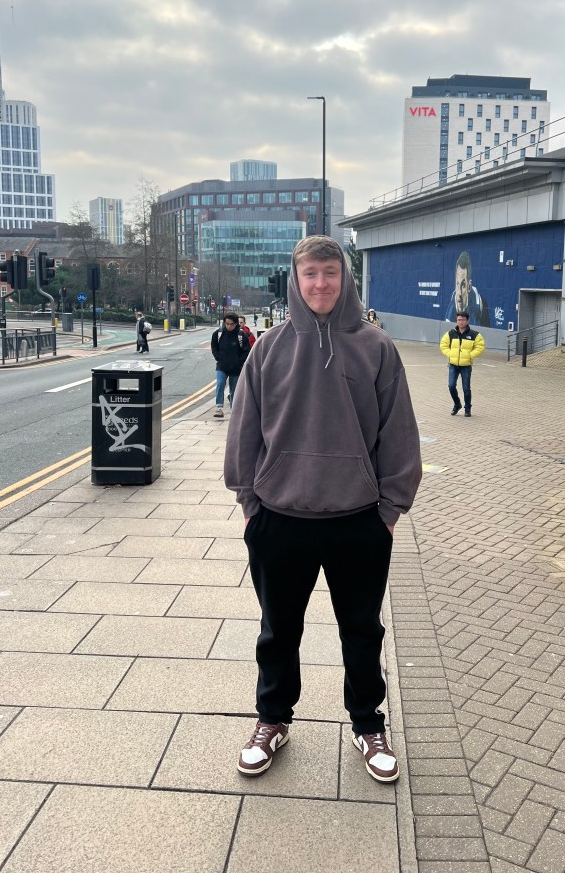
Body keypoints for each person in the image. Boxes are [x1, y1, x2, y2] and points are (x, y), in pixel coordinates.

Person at [224, 235, 422, 784]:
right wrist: (249, 500)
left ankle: (368, 725)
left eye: (330, 273)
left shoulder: (376, 347)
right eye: (310, 273)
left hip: (358, 520)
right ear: (296, 279)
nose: (320, 283)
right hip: (279, 517)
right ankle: (272, 719)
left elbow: (399, 432)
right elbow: (245, 428)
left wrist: (389, 510)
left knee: (362, 632)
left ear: (345, 277)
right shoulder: (269, 348)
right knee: (277, 631)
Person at [440, 310, 485, 417]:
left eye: (463, 320)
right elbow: (443, 344)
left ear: (467, 321)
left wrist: (470, 355)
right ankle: (457, 404)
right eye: (459, 320)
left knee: (466, 389)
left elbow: (480, 347)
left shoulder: (474, 335)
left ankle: (467, 408)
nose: (460, 322)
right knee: (451, 386)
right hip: (453, 365)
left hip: (466, 366)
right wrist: (450, 354)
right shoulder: (451, 333)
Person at [211, 312, 250, 418]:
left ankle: (233, 410)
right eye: (227, 323)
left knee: (234, 389)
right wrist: (218, 357)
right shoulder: (218, 333)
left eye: (231, 324)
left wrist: (239, 362)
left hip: (236, 368)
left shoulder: (241, 335)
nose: (229, 326)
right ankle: (219, 408)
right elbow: (214, 346)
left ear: (236, 323)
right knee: (220, 384)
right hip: (222, 366)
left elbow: (246, 351)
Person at [446, 251, 489, 326]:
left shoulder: (481, 307)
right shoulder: (451, 309)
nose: (459, 293)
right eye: (457, 284)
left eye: (463, 285)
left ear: (469, 286)